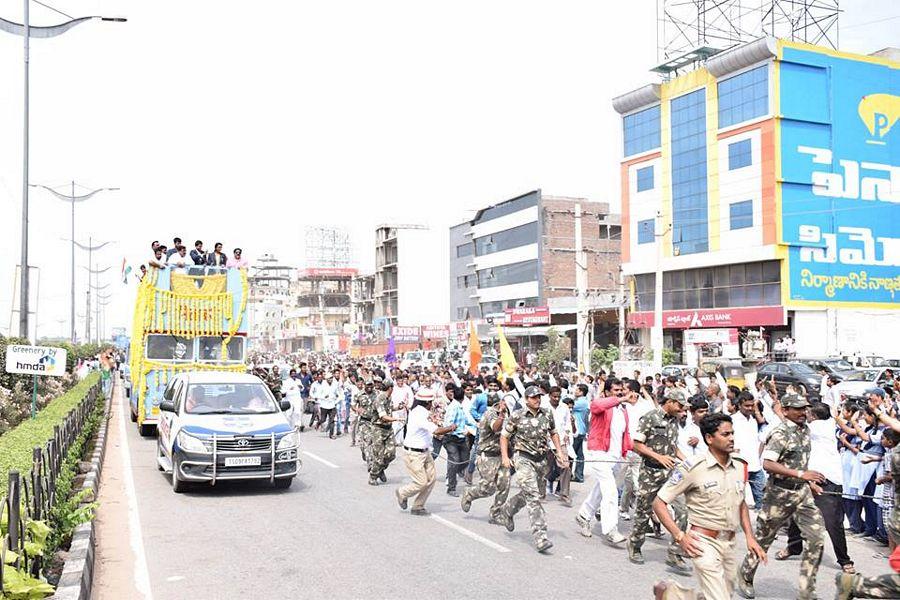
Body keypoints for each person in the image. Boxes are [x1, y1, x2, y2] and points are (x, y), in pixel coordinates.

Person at [653, 412, 767, 599]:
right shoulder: (693, 467)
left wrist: (750, 537)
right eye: (725, 434)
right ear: (709, 438)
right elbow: (659, 503)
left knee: (724, 594)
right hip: (702, 542)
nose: (731, 438)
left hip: (729, 542)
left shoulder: (739, 466)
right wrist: (680, 536)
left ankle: (672, 594)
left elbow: (741, 503)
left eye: (732, 433)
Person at [737, 393, 826, 600]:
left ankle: (806, 591)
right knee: (763, 539)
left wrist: (808, 481)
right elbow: (767, 463)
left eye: (804, 408)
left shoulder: (805, 431)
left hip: (802, 494)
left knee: (816, 538)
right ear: (785, 411)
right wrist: (800, 474)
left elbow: (799, 463)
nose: (803, 412)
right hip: (779, 494)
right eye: (798, 409)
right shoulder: (780, 433)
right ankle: (746, 575)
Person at [780, 402, 856, 573]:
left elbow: (787, 424)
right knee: (795, 514)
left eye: (807, 412)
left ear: (813, 416)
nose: (805, 415)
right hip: (809, 478)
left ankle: (844, 560)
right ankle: (793, 547)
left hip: (826, 480)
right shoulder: (829, 422)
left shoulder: (816, 428)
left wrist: (780, 409)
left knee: (832, 523)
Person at [626, 388, 691, 575]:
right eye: (679, 406)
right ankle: (635, 545)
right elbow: (637, 444)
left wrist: (685, 460)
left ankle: (675, 552)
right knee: (643, 511)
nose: (682, 411)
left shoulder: (674, 421)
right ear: (669, 402)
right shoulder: (650, 417)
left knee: (683, 510)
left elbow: (672, 445)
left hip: (670, 475)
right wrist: (658, 457)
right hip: (650, 472)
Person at [497, 385, 569, 553]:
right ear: (526, 399)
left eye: (539, 397)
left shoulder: (547, 414)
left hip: (541, 460)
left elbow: (553, 433)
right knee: (534, 497)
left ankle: (508, 510)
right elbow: (504, 437)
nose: (537, 399)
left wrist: (559, 451)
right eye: (534, 397)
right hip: (523, 459)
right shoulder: (517, 415)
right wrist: (505, 457)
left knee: (530, 493)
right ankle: (541, 537)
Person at [575, 377, 631, 546]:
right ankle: (611, 530)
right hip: (599, 453)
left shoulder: (623, 409)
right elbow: (596, 406)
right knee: (611, 491)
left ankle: (584, 515)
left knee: (602, 488)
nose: (620, 393)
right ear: (607, 392)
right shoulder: (600, 404)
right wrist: (618, 400)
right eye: (616, 390)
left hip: (615, 457)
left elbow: (624, 433)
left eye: (621, 390)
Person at [395, 389, 457, 516]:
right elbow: (436, 431)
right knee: (421, 482)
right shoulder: (419, 414)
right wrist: (450, 428)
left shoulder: (421, 411)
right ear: (428, 402)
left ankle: (418, 505)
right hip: (414, 453)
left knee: (431, 479)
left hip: (425, 451)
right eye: (432, 402)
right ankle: (402, 493)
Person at [461, 392, 511, 524]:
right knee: (488, 489)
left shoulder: (508, 415)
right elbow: (495, 428)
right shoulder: (491, 414)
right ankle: (470, 494)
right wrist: (501, 414)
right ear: (500, 404)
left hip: (501, 455)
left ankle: (496, 513)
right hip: (487, 456)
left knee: (504, 485)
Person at [731, 391, 767, 509]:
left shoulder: (752, 420)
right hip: (740, 463)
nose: (750, 408)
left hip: (755, 463)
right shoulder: (733, 420)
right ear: (740, 405)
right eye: (747, 406)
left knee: (761, 493)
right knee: (738, 496)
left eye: (752, 405)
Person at [442, 386, 475, 497]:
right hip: (451, 438)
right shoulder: (453, 407)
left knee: (465, 460)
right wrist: (453, 427)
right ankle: (451, 487)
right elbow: (448, 423)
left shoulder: (460, 407)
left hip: (461, 438)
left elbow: (467, 420)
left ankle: (451, 474)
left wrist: (477, 425)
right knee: (455, 460)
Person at [369, 379, 398, 485]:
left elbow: (388, 410)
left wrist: (398, 408)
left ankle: (381, 469)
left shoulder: (388, 398)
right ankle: (373, 476)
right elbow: (383, 416)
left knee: (391, 454)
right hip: (378, 429)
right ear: (390, 388)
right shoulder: (379, 398)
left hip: (388, 429)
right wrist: (396, 419)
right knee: (379, 455)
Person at [571, 383, 590, 483]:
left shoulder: (581, 402)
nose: (575, 391)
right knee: (579, 454)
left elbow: (568, 404)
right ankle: (578, 475)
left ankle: (568, 474)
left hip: (577, 430)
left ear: (581, 392)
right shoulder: (582, 401)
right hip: (580, 430)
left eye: (577, 390)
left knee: (571, 453)